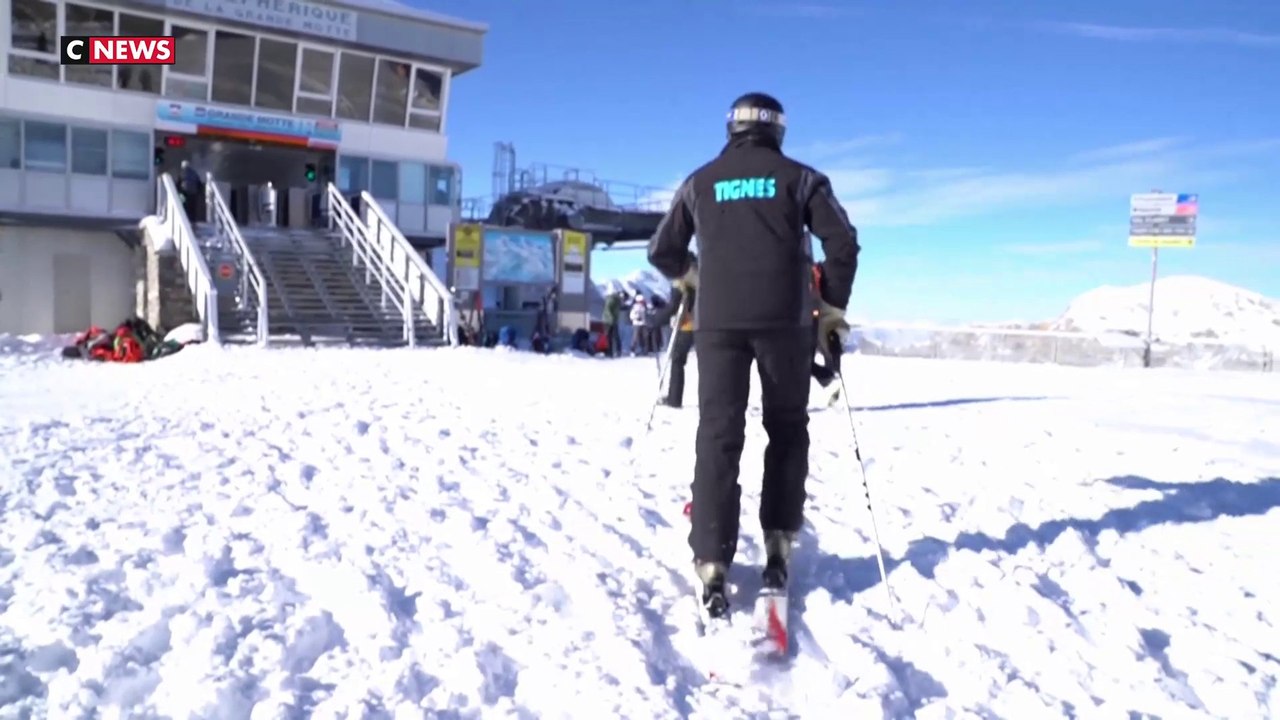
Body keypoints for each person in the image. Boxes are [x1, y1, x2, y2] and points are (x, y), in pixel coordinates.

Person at [647, 91, 860, 618]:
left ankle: (711, 563)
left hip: (718, 325)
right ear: (778, 131)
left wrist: (692, 278)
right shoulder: (803, 179)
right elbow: (843, 243)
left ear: (731, 129)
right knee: (786, 428)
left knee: (718, 435)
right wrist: (831, 307)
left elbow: (662, 250)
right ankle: (778, 544)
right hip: (785, 324)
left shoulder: (699, 183)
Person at [650, 257, 698, 408]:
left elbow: (673, 307)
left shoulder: (681, 283)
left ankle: (674, 398)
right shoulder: (699, 278)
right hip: (703, 325)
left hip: (686, 326)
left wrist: (654, 320)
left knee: (677, 361)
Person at [601, 291, 623, 357]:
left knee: (613, 336)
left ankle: (615, 351)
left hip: (612, 321)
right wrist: (611, 319)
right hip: (608, 321)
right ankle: (610, 351)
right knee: (610, 337)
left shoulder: (617, 301)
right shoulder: (612, 300)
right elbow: (608, 309)